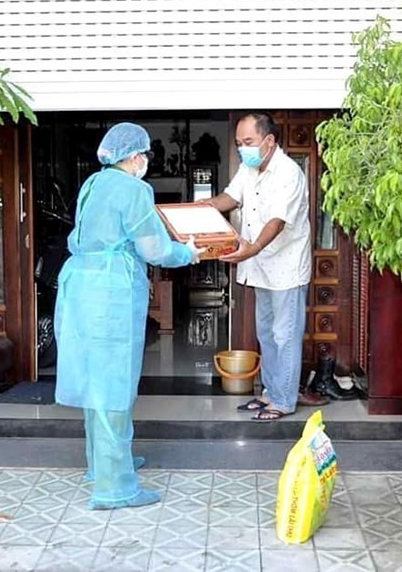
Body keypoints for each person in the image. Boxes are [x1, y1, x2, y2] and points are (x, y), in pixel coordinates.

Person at [54, 122, 204, 510]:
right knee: (113, 383)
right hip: (110, 293)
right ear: (135, 157)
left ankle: (103, 462)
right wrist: (187, 253)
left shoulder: (93, 183)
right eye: (145, 156)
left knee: (96, 381)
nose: (146, 162)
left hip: (80, 286)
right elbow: (154, 249)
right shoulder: (135, 189)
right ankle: (115, 487)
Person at [206, 113, 318, 421]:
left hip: (286, 268)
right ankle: (271, 392)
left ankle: (284, 401)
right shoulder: (249, 168)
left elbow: (277, 221)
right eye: (239, 143)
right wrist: (198, 207)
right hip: (260, 268)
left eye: (248, 142)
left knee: (285, 336)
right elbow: (230, 197)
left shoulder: (288, 172)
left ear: (268, 141)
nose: (243, 148)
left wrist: (253, 248)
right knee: (266, 334)